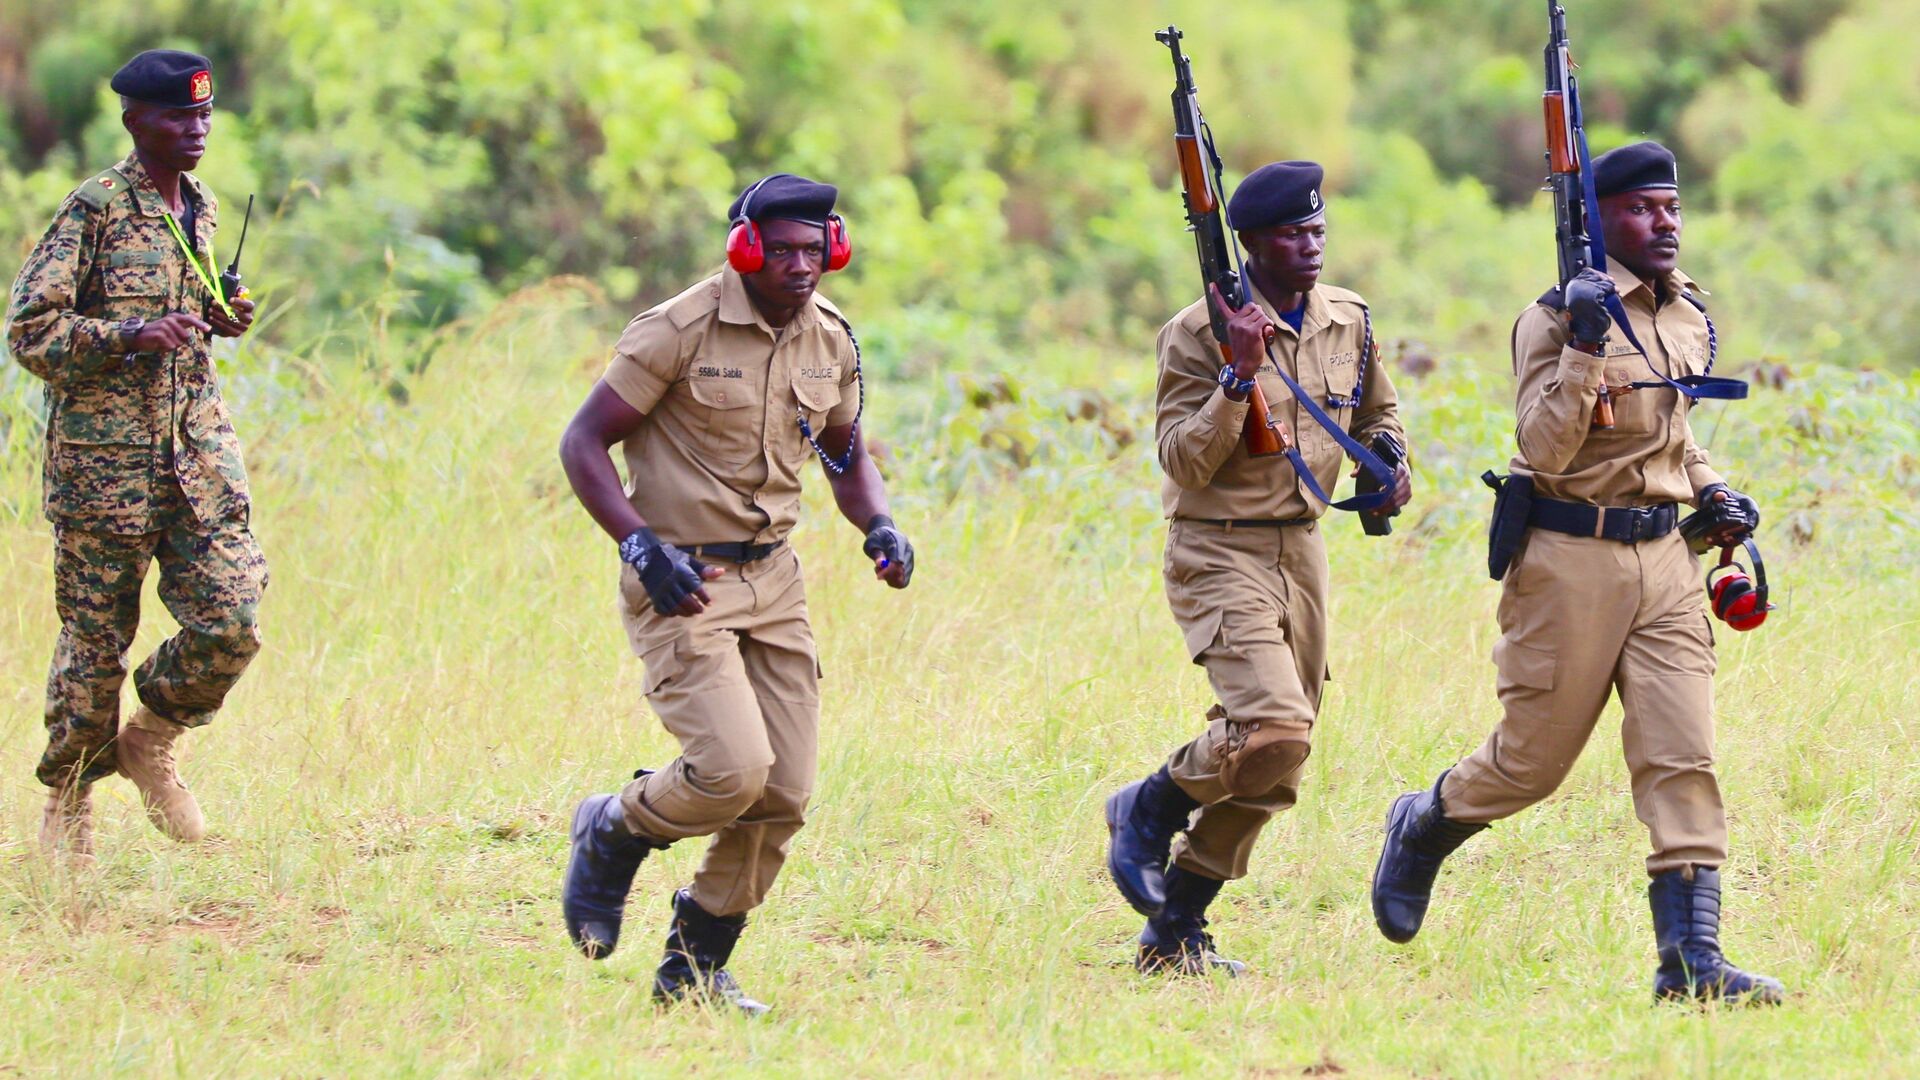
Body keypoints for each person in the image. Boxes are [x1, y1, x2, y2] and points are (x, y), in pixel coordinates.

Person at [1369, 141, 1783, 1006]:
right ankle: (1425, 822)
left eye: (1670, 206)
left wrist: (1714, 490)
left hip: (1666, 561)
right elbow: (1543, 448)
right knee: (1532, 764)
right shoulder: (1553, 319)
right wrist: (1586, 342)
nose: (1663, 223)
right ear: (1599, 220)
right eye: (1640, 209)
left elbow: (1672, 437)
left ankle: (1692, 964)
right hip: (1568, 563)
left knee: (1684, 754)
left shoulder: (1684, 315)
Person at [556, 173, 914, 1015]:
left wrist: (880, 525)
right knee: (732, 771)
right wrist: (641, 545)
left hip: (775, 581)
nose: (801, 265)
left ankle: (695, 966)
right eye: (782, 250)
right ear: (745, 249)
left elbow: (843, 451)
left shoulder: (830, 340)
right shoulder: (677, 329)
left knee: (783, 791)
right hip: (685, 580)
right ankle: (614, 827)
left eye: (814, 250)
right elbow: (583, 442)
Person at [1105, 161, 1411, 976]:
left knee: (1279, 761)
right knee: (1273, 727)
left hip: (1301, 549)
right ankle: (1151, 804)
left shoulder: (1348, 319)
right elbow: (1183, 461)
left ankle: (1174, 932)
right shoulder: (1197, 334)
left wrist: (1388, 464)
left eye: (1317, 230)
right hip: (1218, 545)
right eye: (1290, 234)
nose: (1310, 247)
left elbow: (1379, 413)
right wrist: (1237, 374)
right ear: (1250, 244)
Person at [6, 49, 264, 861]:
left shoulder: (203, 207)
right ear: (134, 121)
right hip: (104, 470)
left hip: (196, 458)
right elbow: (29, 331)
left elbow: (184, 315)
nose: (195, 130)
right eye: (176, 117)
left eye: (203, 115)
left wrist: (222, 315)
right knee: (94, 642)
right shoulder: (95, 209)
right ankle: (70, 795)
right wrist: (127, 335)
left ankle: (149, 739)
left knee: (233, 617)